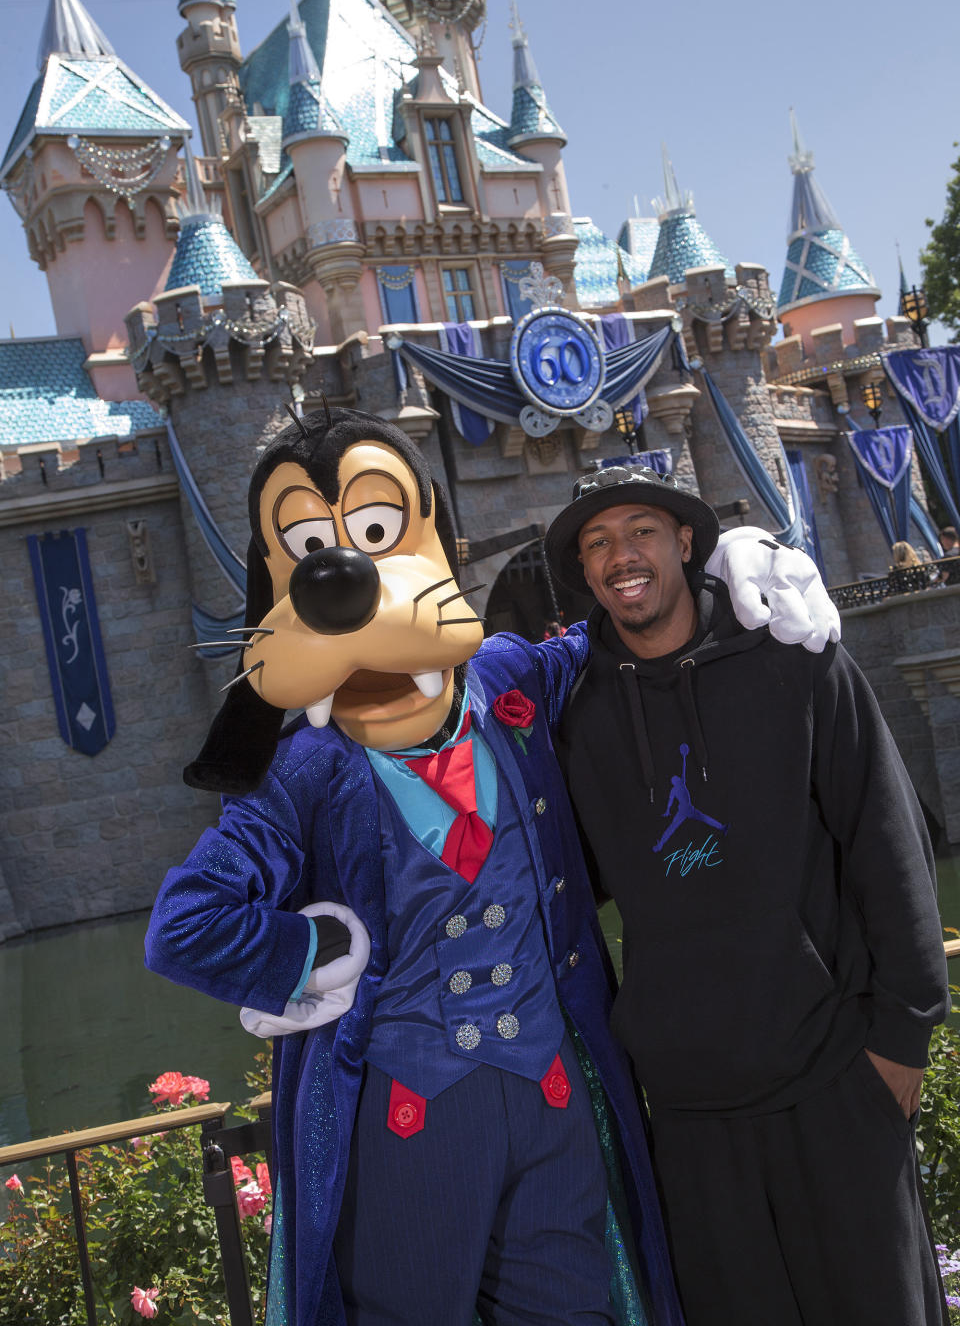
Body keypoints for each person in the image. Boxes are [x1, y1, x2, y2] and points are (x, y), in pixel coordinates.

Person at [145, 413, 838, 1326]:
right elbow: (185, 927)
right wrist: (314, 949)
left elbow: (616, 637)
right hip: (410, 1118)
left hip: (553, 1100)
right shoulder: (302, 773)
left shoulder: (509, 686)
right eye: (311, 548)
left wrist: (717, 562)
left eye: (376, 531)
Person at [545, 463, 951, 1326]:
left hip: (836, 1078)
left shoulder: (796, 661)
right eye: (599, 542)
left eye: (643, 531)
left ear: (686, 542)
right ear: (584, 570)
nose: (624, 555)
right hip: (692, 1119)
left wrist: (903, 1038)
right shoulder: (576, 717)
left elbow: (886, 839)